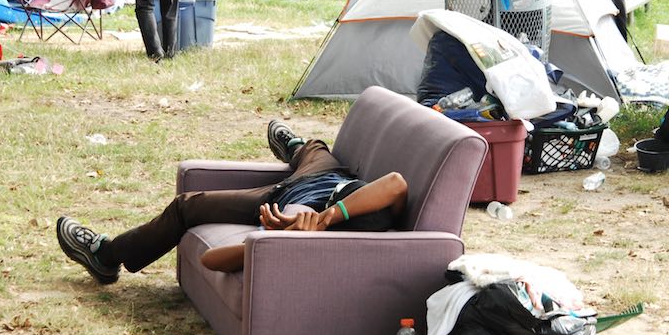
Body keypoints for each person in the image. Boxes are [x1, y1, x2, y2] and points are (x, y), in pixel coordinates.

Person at [57, 120, 408, 281]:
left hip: (279, 197)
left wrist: (278, 241)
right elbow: (394, 184)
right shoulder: (372, 214)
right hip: (329, 176)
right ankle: (294, 148)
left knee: (186, 206)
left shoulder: (297, 235)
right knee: (314, 148)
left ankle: (106, 256)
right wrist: (330, 216)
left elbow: (213, 260)